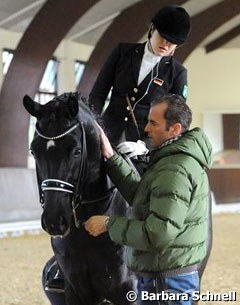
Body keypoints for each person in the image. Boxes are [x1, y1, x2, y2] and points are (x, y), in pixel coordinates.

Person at [85, 94, 213, 305]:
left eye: (154, 123)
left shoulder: (174, 169)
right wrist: (112, 158)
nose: (146, 129)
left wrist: (109, 224)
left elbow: (158, 233)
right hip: (169, 279)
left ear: (175, 129)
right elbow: (143, 198)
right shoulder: (172, 160)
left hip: (166, 284)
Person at [89, 5, 192, 145]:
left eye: (172, 42)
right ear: (152, 29)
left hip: (144, 143)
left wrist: (145, 146)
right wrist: (94, 125)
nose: (165, 44)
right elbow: (98, 94)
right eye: (163, 37)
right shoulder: (122, 52)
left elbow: (175, 119)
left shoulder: (178, 73)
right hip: (107, 132)